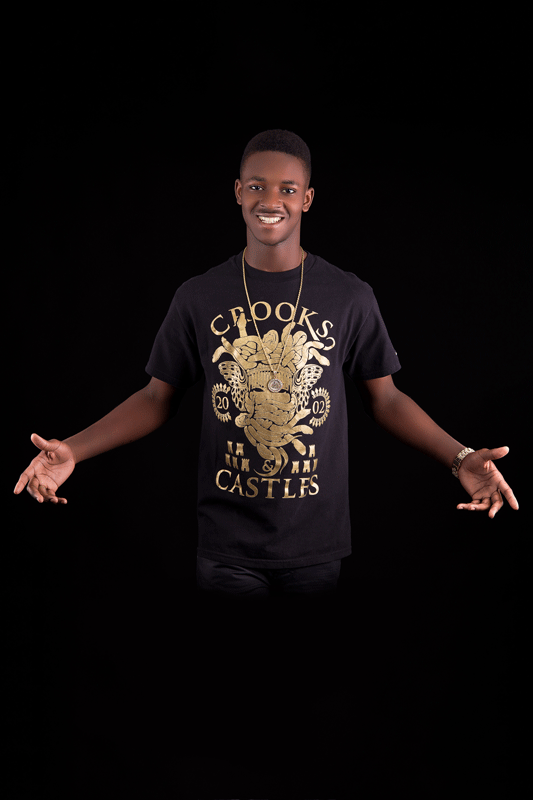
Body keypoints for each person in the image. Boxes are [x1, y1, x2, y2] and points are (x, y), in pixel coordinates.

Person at [13, 129, 519, 599]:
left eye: (287, 189)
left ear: (307, 199)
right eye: (257, 186)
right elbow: (155, 398)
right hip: (226, 545)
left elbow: (385, 399)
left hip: (316, 544)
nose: (270, 200)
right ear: (238, 192)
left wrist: (459, 458)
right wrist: (73, 450)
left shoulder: (349, 295)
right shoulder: (199, 295)